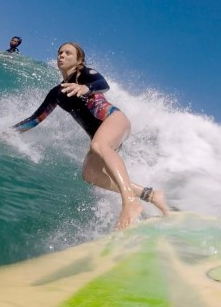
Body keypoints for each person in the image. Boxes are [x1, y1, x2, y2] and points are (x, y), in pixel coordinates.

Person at [12, 42, 169, 229]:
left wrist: (86, 89)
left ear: (79, 60)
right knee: (90, 174)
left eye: (68, 53)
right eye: (60, 52)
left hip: (115, 120)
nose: (62, 55)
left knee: (98, 146)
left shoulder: (85, 74)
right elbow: (34, 120)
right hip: (101, 137)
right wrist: (7, 131)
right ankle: (150, 195)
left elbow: (102, 84)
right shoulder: (56, 93)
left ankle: (129, 202)